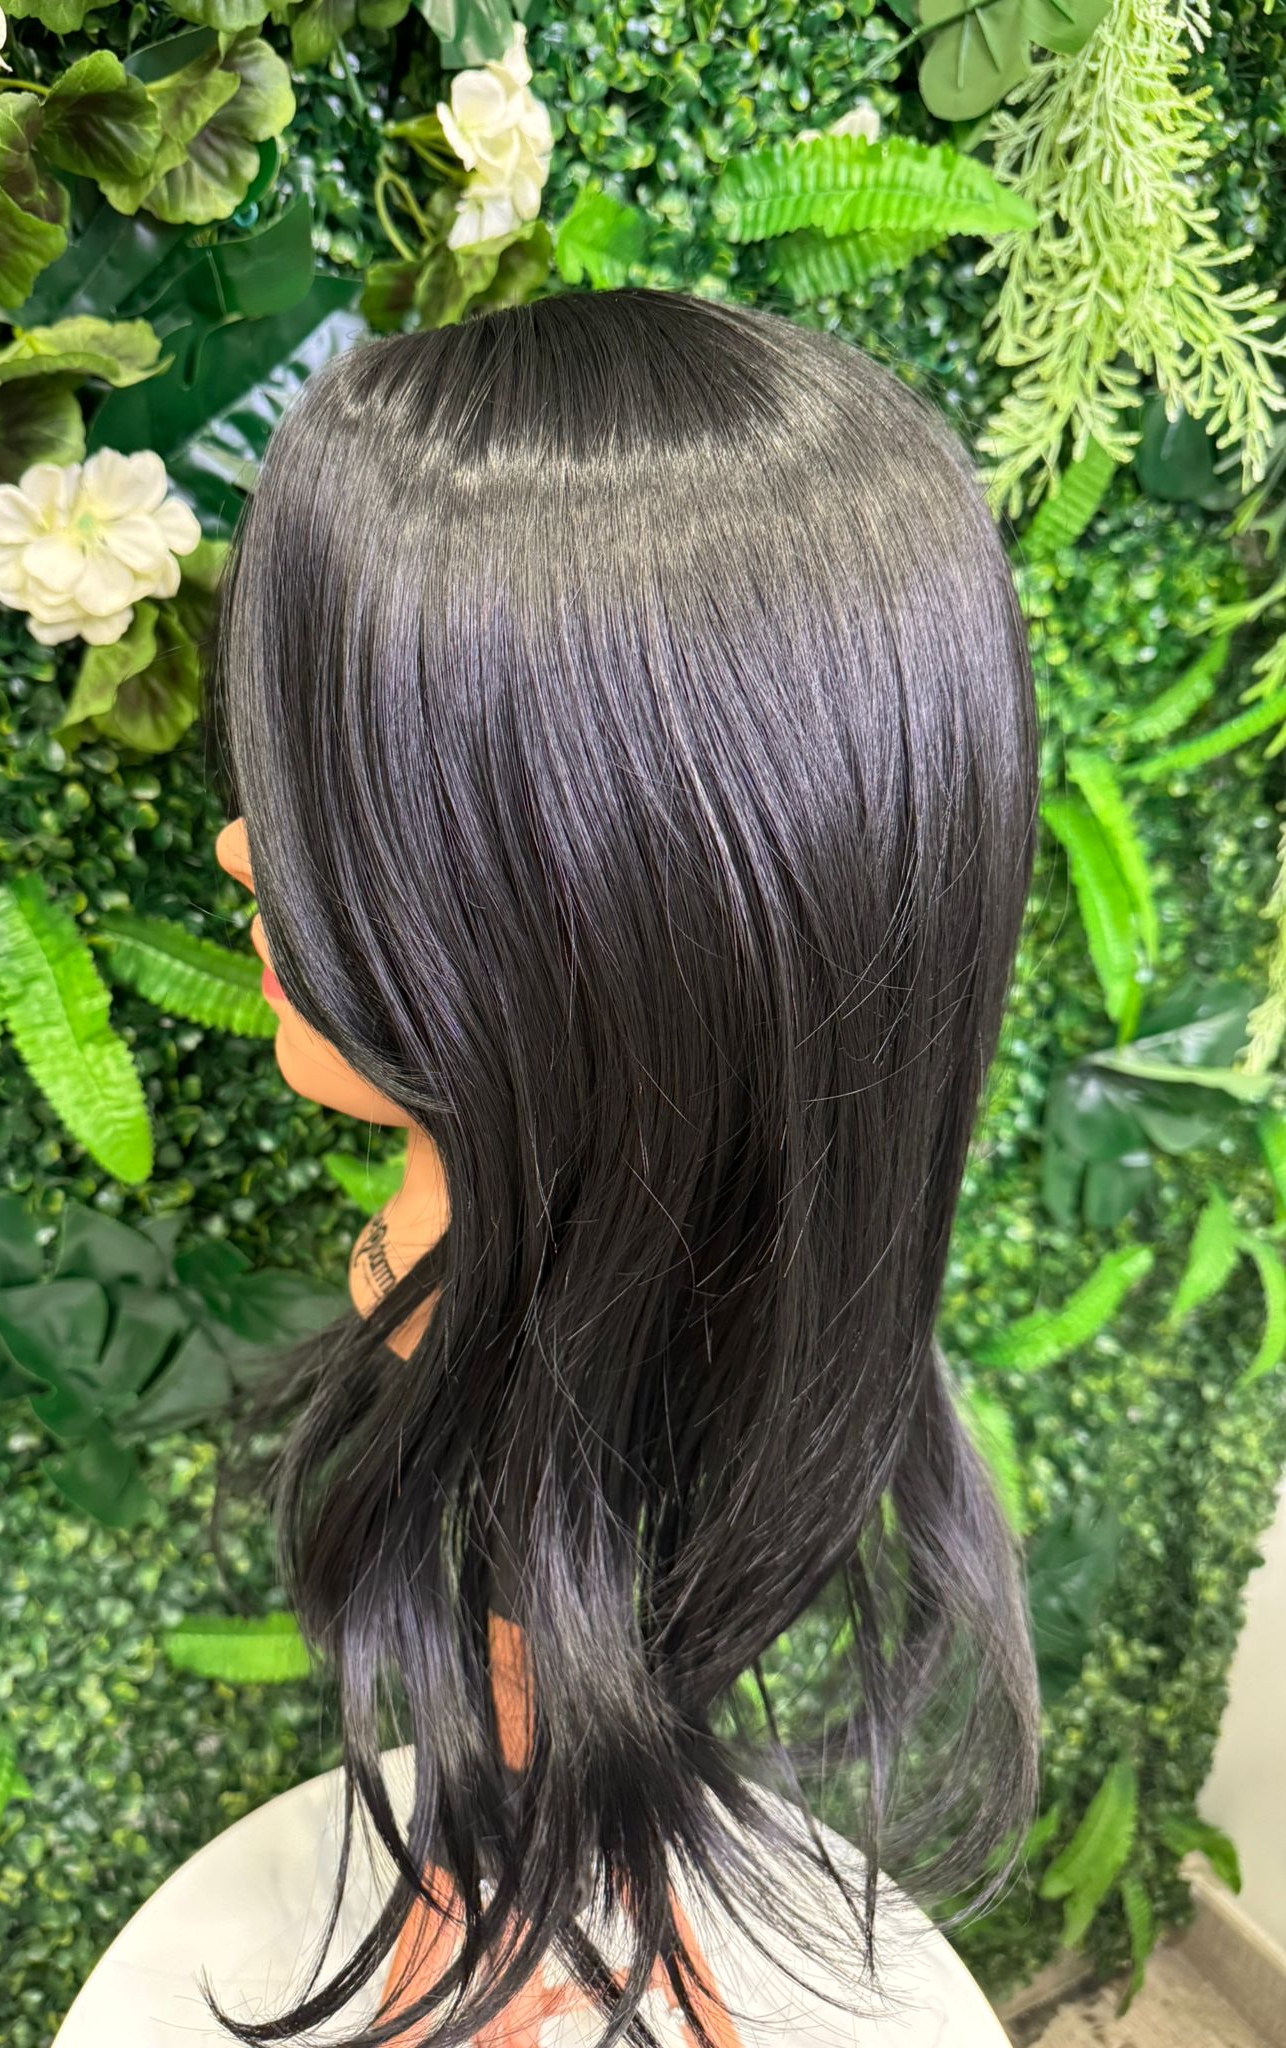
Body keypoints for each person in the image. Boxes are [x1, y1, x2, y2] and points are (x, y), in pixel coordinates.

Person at [52, 288, 1043, 2048]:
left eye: (342, 819)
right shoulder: (557, 1234)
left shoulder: (557, 1321)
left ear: (585, 918)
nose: (237, 852)